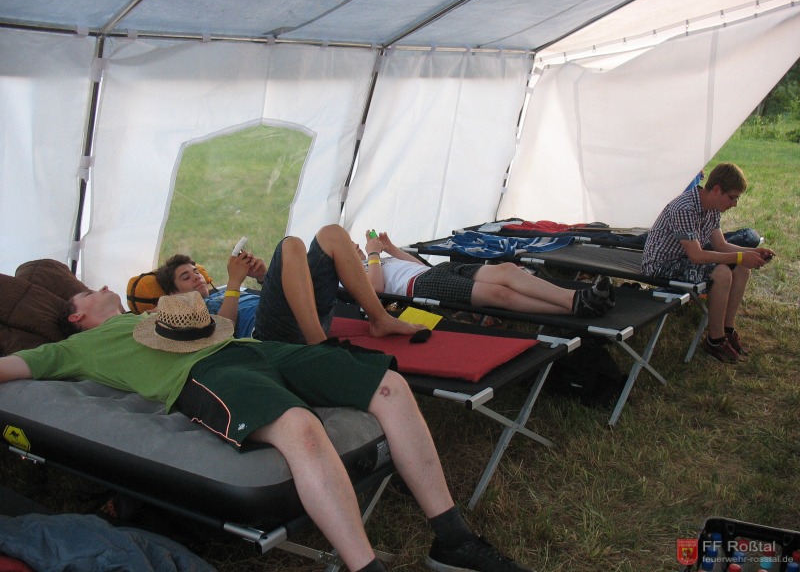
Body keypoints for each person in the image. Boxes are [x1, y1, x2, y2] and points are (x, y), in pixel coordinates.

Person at [0, 290, 533, 572]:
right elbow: (15, 367)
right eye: (85, 293)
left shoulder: (153, 313)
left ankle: (453, 539)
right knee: (300, 427)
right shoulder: (75, 348)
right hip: (206, 374)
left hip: (254, 350)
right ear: (76, 318)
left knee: (389, 385)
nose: (99, 287)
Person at [156, 224, 423, 344]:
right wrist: (235, 281)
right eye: (186, 277)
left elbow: (279, 299)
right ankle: (318, 346)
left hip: (305, 319)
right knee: (291, 244)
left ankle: (379, 319)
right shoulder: (186, 311)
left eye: (195, 271)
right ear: (173, 293)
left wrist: (264, 277)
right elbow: (222, 331)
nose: (196, 277)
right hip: (269, 337)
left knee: (331, 233)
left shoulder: (225, 292)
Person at [642, 162, 776, 363]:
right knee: (722, 272)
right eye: (732, 197)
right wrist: (740, 256)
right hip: (660, 266)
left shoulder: (712, 207)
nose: (734, 204)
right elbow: (697, 256)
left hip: (684, 260)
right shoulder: (685, 208)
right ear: (716, 190)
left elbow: (721, 245)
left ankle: (727, 330)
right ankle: (715, 340)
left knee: (742, 269)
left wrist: (752, 252)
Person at [358, 231, 615, 318]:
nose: (356, 245)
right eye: (350, 246)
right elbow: (376, 290)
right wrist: (373, 254)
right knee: (498, 294)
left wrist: (390, 248)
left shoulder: (376, 260)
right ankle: (576, 306)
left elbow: (417, 265)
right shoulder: (353, 274)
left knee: (507, 270)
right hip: (421, 286)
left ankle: (575, 298)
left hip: (432, 272)